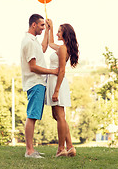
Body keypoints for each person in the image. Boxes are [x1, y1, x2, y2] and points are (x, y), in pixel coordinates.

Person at [20, 14, 58, 159]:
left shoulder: (33, 41)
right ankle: (29, 151)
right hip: (35, 82)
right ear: (33, 25)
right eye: (42, 25)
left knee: (33, 116)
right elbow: (33, 67)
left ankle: (31, 149)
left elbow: (43, 48)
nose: (43, 28)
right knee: (32, 116)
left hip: (39, 83)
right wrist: (52, 71)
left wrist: (48, 30)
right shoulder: (28, 42)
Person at [45, 19, 79, 157]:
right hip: (55, 81)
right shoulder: (62, 47)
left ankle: (61, 148)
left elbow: (62, 70)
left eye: (59, 31)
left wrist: (56, 90)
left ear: (65, 34)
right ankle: (70, 146)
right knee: (58, 116)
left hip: (57, 82)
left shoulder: (63, 49)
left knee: (59, 116)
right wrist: (51, 29)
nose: (58, 33)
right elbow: (49, 43)